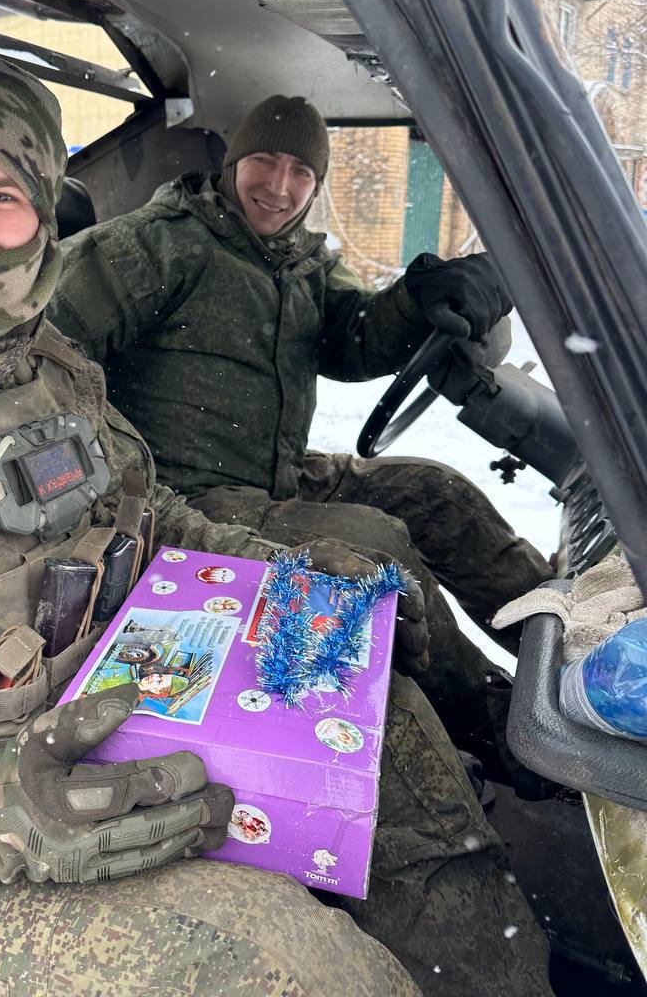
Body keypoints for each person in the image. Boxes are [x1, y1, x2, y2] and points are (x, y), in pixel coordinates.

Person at [0, 57, 549, 997]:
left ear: (41, 216)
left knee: (390, 740)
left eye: (1, 196)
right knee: (292, 967)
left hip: (100, 732)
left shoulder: (50, 370)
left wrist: (290, 572)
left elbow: (147, 520)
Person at [49, 94, 553, 748]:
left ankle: (567, 654)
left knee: (436, 493)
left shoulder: (299, 262)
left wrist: (419, 297)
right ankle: (500, 732)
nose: (279, 186)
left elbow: (353, 339)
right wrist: (116, 469)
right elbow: (49, 349)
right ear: (234, 163)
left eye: (301, 171)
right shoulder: (155, 246)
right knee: (376, 546)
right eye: (264, 160)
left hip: (276, 474)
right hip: (189, 494)